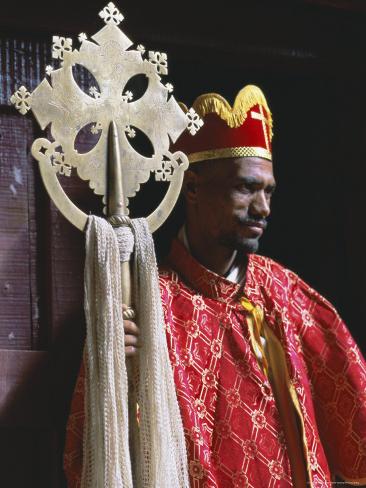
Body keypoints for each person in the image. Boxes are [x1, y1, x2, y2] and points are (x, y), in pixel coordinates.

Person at [64, 85, 366, 487]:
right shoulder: (146, 301)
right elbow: (96, 451)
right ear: (192, 188)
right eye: (245, 188)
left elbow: (354, 411)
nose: (263, 208)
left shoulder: (284, 292)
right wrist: (118, 371)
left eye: (268, 191)